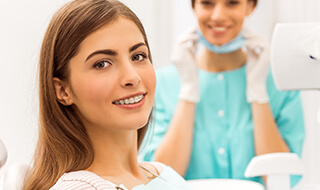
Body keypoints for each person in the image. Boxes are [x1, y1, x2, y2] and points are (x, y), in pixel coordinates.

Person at [23, 0, 191, 189]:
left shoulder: (161, 173)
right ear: (62, 90)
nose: (132, 77)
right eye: (102, 64)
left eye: (138, 56)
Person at [140, 0, 305, 187]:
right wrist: (187, 93)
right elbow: (158, 182)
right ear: (194, 7)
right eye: (207, 3)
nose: (218, 16)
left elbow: (284, 179)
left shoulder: (279, 85)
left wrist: (259, 94)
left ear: (250, 7)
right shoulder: (163, 85)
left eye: (232, 3)